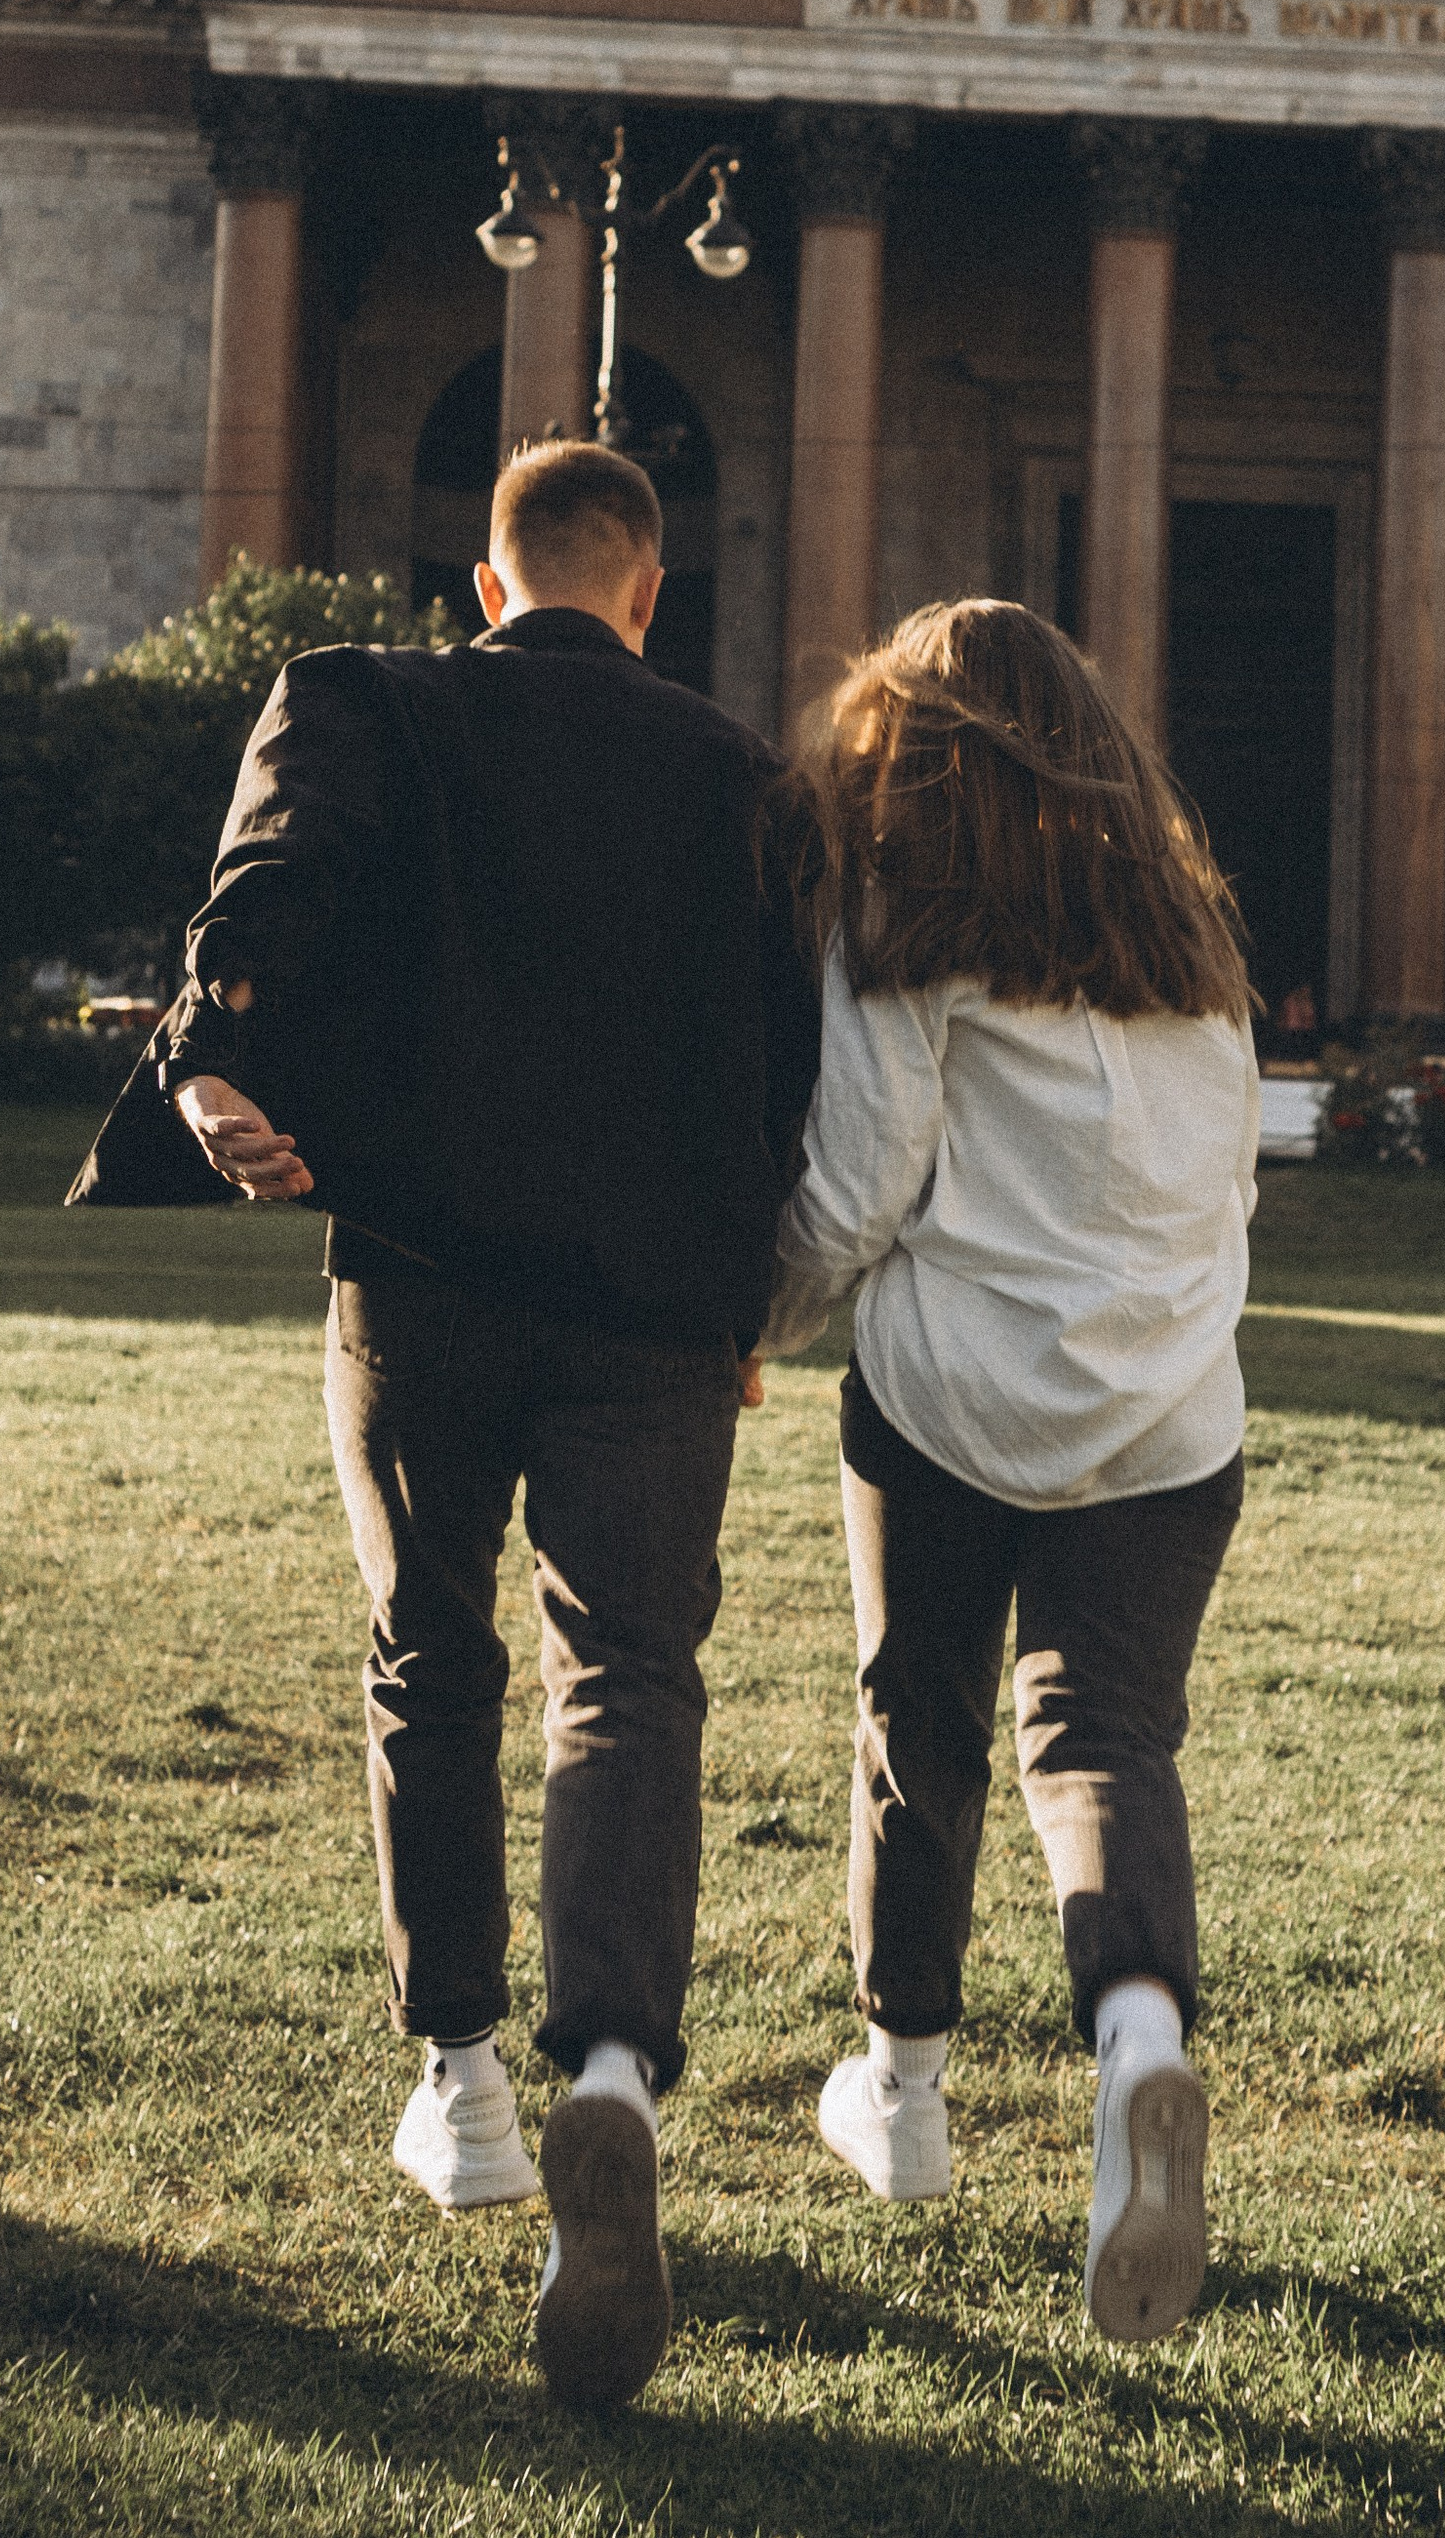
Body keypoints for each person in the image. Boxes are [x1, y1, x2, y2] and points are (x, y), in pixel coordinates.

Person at [149, 440, 816, 2411]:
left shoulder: (372, 702)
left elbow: (269, 881)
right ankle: (612, 2061)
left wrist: (217, 1063)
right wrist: (746, 1299)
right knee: (626, 1676)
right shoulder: (743, 781)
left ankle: (462, 2082)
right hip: (652, 1317)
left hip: (424, 1273)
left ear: (484, 575)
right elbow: (790, 1067)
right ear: (651, 587)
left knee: (425, 1656)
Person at [763, 601, 1260, 2344]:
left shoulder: (905, 942)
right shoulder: (1193, 950)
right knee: (1103, 1739)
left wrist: (757, 1327)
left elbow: (852, 1196)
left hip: (952, 1405)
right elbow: (1228, 1192)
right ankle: (1139, 2038)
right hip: (1170, 1424)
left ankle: (901, 2097)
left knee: (923, 1720)